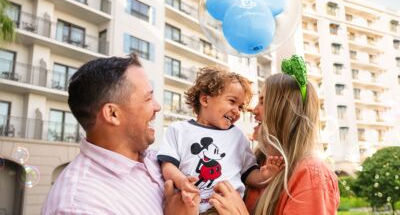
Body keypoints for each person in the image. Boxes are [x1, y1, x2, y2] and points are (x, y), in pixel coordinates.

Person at [41, 54, 199, 215]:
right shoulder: (80, 205)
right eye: (148, 98)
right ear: (113, 113)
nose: (157, 106)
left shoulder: (158, 159)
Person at [209, 55, 340, 215]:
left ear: (285, 113)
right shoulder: (255, 163)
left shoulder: (311, 175)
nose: (253, 110)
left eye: (263, 102)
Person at [157, 66, 282, 215]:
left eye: (240, 107)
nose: (237, 111)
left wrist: (264, 176)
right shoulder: (178, 130)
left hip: (224, 209)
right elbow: (168, 165)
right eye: (232, 101)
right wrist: (181, 181)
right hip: (187, 204)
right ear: (205, 99)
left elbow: (248, 174)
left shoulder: (238, 137)